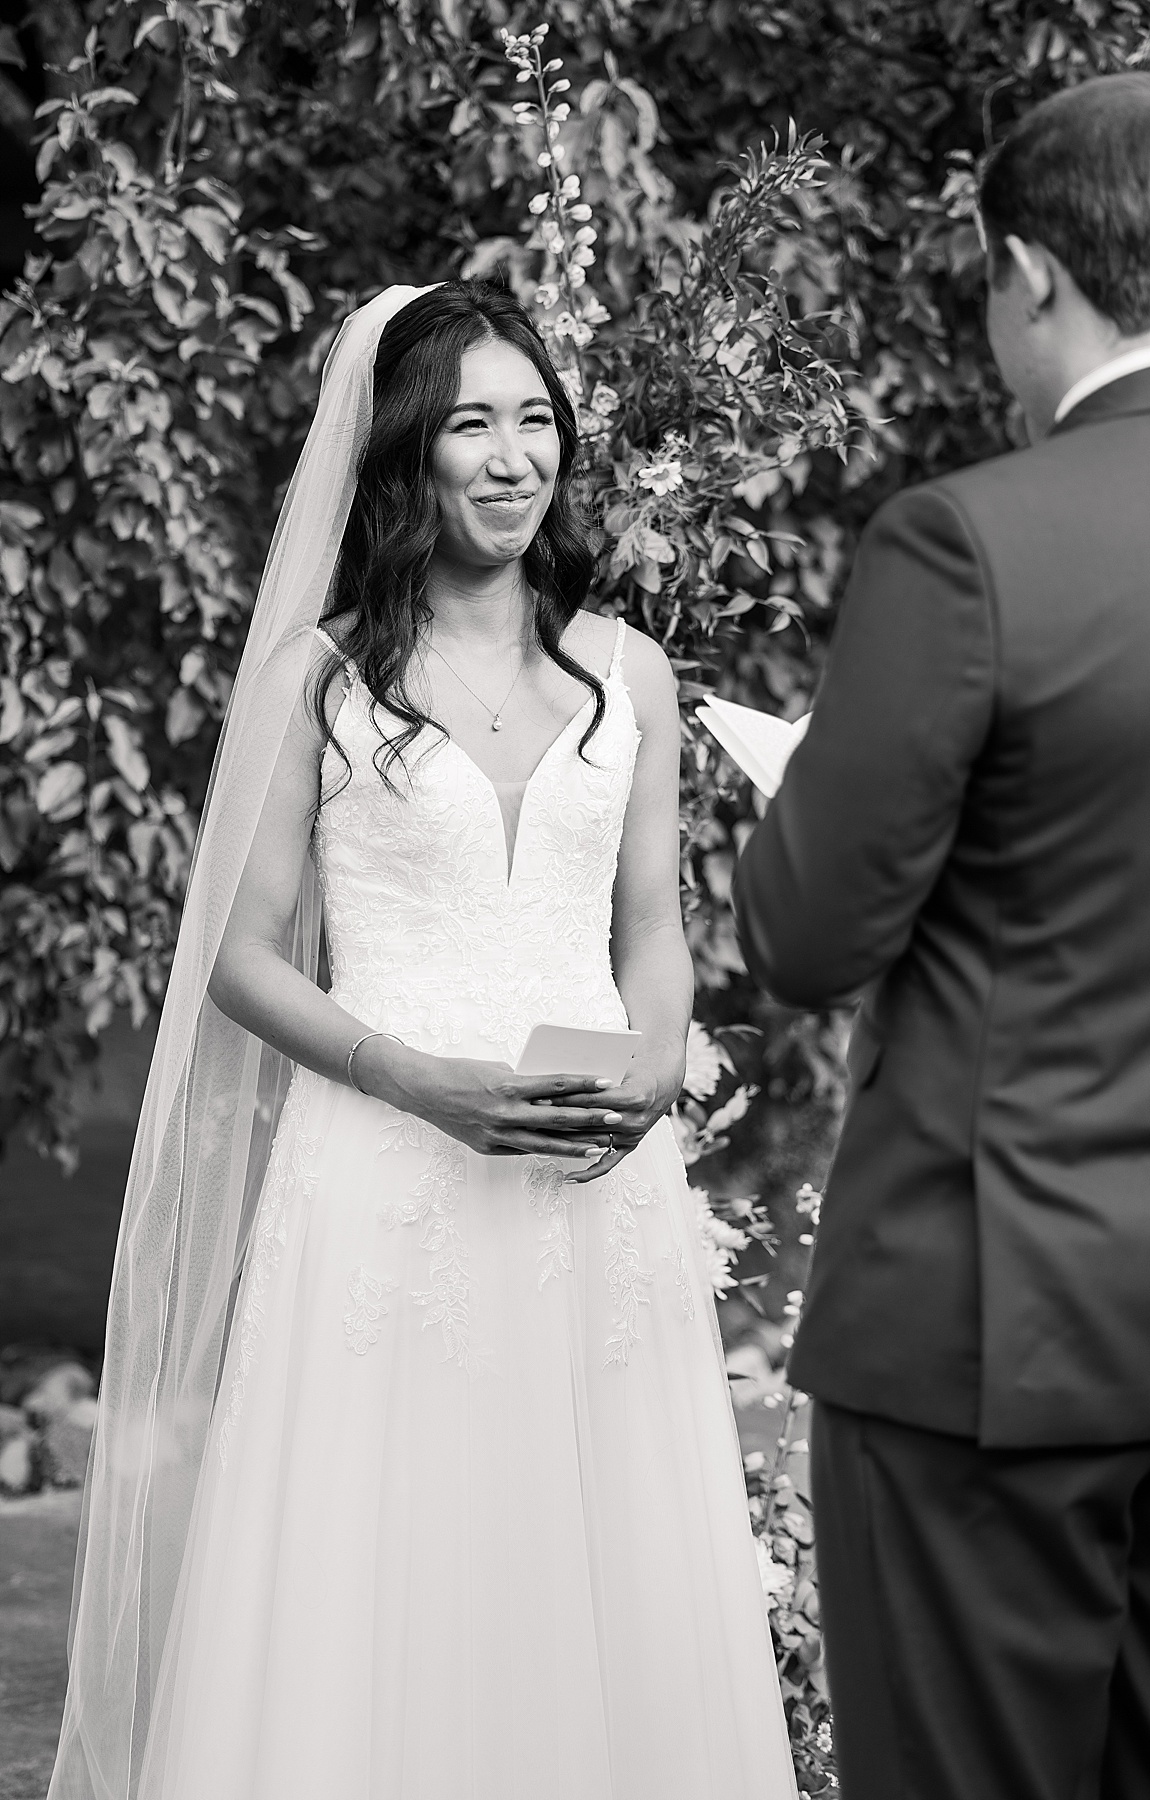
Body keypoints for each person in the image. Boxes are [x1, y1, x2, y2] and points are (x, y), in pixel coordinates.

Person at [49, 281, 798, 1800]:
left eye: (537, 421)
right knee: (384, 1574)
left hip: (596, 1184)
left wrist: (658, 1054)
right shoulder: (317, 681)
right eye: (473, 424)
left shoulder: (627, 673)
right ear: (406, 456)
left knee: (600, 1566)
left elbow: (650, 926)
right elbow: (239, 962)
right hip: (382, 1176)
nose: (514, 457)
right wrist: (412, 1078)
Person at [734, 71, 1150, 1800]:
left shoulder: (970, 545)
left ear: (1028, 275)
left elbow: (808, 931)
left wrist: (797, 794)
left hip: (999, 1331)